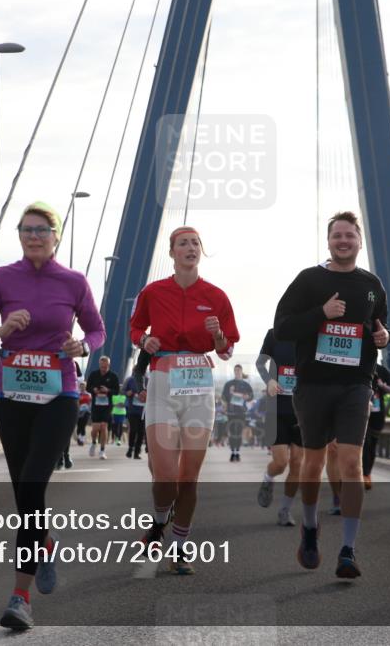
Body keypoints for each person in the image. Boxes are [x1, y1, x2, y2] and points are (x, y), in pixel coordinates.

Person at [0, 201, 104, 630]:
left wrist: (85, 345)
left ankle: (19, 598)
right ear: (19, 235)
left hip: (59, 395)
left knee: (33, 482)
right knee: (26, 496)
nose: (34, 235)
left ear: (56, 236)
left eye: (43, 229)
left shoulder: (74, 282)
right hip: (13, 395)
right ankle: (45, 544)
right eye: (27, 229)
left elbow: (97, 328)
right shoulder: (4, 278)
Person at [274, 211, 390, 579]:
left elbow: (381, 329)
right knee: (313, 464)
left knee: (351, 463)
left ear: (359, 241)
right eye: (337, 235)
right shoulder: (309, 280)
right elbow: (282, 328)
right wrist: (321, 314)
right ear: (328, 241)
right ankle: (310, 527)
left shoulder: (372, 284)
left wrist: (384, 338)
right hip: (312, 385)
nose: (343, 241)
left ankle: (348, 549)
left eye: (350, 236)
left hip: (356, 384)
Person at [130, 226, 238, 575]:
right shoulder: (153, 292)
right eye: (183, 243)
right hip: (162, 382)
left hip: (199, 389)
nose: (190, 248)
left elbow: (226, 350)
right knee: (164, 476)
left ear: (200, 252)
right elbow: (134, 328)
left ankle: (179, 545)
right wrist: (144, 340)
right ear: (172, 252)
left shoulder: (217, 296)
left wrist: (217, 335)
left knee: (188, 478)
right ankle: (160, 521)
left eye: (195, 243)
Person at [255, 328, 304, 526]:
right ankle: (268, 477)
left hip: (302, 410)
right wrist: (270, 380)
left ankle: (285, 510)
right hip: (277, 409)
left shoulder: (312, 335)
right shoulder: (274, 334)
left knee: (297, 464)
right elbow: (260, 363)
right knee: (281, 462)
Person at [361, 363, 390, 490]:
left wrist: (382, 386)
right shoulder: (355, 362)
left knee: (371, 446)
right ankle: (363, 474)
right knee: (364, 444)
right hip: (359, 412)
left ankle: (367, 473)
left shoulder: (382, 370)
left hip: (377, 414)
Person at [86, 356, 119, 460]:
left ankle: (102, 450)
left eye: (105, 367)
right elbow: (88, 388)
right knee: (95, 428)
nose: (103, 369)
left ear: (108, 365)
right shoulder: (93, 374)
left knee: (104, 426)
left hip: (107, 405)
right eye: (101, 367)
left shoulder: (113, 376)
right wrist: (94, 390)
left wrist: (108, 390)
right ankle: (93, 442)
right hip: (96, 404)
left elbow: (117, 391)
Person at [221, 364, 253, 462]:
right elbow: (223, 396)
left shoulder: (246, 385)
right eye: (235, 370)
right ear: (234, 371)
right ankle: (232, 452)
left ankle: (237, 453)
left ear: (241, 371)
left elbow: (251, 396)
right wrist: (225, 405)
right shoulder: (229, 384)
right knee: (232, 433)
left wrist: (247, 397)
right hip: (231, 412)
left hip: (241, 412)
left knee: (238, 433)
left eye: (239, 370)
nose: (237, 372)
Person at [123, 369, 146, 459]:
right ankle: (130, 448)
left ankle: (137, 452)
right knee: (133, 429)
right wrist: (127, 393)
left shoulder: (147, 380)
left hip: (144, 410)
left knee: (141, 432)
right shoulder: (130, 380)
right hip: (132, 410)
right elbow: (123, 390)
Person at [76, 381, 91, 445]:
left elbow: (90, 403)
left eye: (84, 386)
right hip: (79, 412)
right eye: (81, 386)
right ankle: (79, 438)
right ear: (79, 387)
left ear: (85, 387)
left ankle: (82, 439)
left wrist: (89, 410)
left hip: (86, 411)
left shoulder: (88, 394)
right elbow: (76, 402)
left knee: (83, 425)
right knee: (79, 425)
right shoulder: (77, 394)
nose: (82, 387)